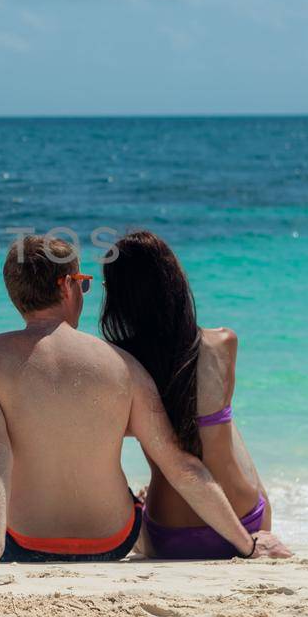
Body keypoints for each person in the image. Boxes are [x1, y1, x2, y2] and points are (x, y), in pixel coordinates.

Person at [0, 234, 290, 563]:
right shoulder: (122, 364)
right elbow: (180, 465)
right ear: (66, 285)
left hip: (21, 541)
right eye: (84, 282)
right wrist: (246, 546)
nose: (84, 291)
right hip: (112, 540)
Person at [100, 230, 273, 559]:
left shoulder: (120, 364)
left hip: (170, 534)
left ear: (120, 298)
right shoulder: (224, 343)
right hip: (248, 521)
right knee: (221, 421)